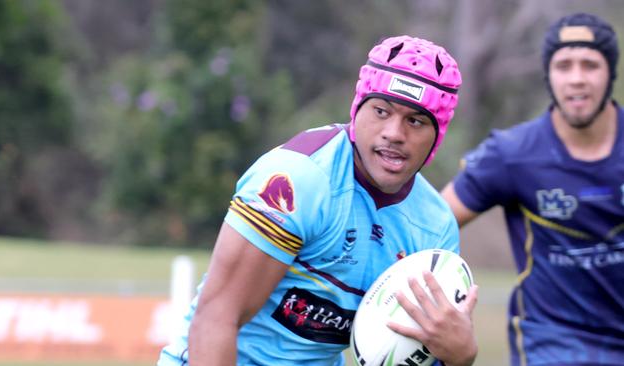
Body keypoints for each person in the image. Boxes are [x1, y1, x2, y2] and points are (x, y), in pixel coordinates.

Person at [158, 35, 478, 366]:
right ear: (357, 110)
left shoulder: (435, 226)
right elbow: (217, 317)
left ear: (436, 135)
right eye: (381, 111)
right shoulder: (297, 178)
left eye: (415, 121)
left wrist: (460, 356)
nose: (394, 133)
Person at [441, 12, 624, 366]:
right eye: (563, 65)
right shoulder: (512, 154)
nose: (576, 79)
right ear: (548, 75)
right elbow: (430, 222)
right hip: (553, 346)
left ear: (610, 72)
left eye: (590, 65)